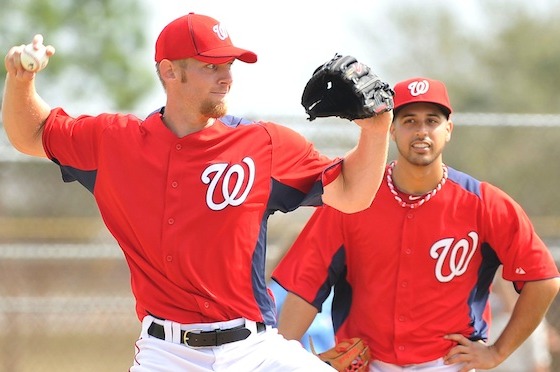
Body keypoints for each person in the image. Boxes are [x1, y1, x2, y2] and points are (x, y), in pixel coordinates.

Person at [2, 12, 393, 372]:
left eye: (229, 65)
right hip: (166, 354)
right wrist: (21, 80)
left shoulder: (264, 145)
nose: (227, 76)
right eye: (211, 66)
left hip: (254, 352)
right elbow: (32, 133)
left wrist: (376, 129)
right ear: (170, 71)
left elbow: (351, 193)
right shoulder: (113, 143)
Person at [272, 77, 560, 371]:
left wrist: (497, 353)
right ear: (392, 130)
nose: (421, 131)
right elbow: (305, 284)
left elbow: (544, 279)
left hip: (447, 364)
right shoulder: (353, 199)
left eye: (432, 120)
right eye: (409, 120)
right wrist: (287, 360)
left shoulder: (484, 203)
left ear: (448, 129)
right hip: (369, 363)